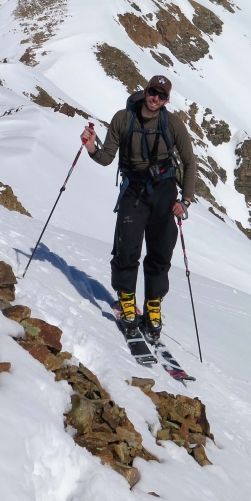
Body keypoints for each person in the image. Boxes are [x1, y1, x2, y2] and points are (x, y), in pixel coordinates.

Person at [81, 75, 195, 341]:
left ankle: (152, 305)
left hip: (165, 193)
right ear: (145, 91)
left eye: (162, 95)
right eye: (153, 92)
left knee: (161, 251)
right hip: (133, 191)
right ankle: (126, 300)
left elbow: (189, 161)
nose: (156, 98)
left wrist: (185, 201)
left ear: (167, 100)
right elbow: (107, 157)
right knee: (127, 248)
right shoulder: (123, 118)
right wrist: (90, 148)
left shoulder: (173, 124)